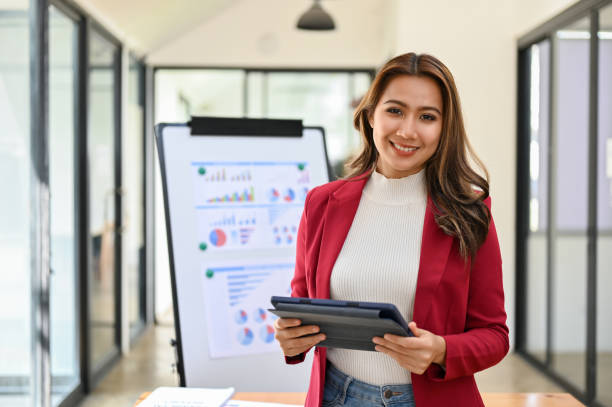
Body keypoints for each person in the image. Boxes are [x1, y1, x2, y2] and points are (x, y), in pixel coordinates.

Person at [273, 52, 509, 407]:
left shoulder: (469, 212)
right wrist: (291, 337)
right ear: (371, 116)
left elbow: (495, 336)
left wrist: (441, 350)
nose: (407, 130)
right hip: (336, 397)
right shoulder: (321, 204)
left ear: (444, 128)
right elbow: (304, 306)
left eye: (427, 117)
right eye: (395, 110)